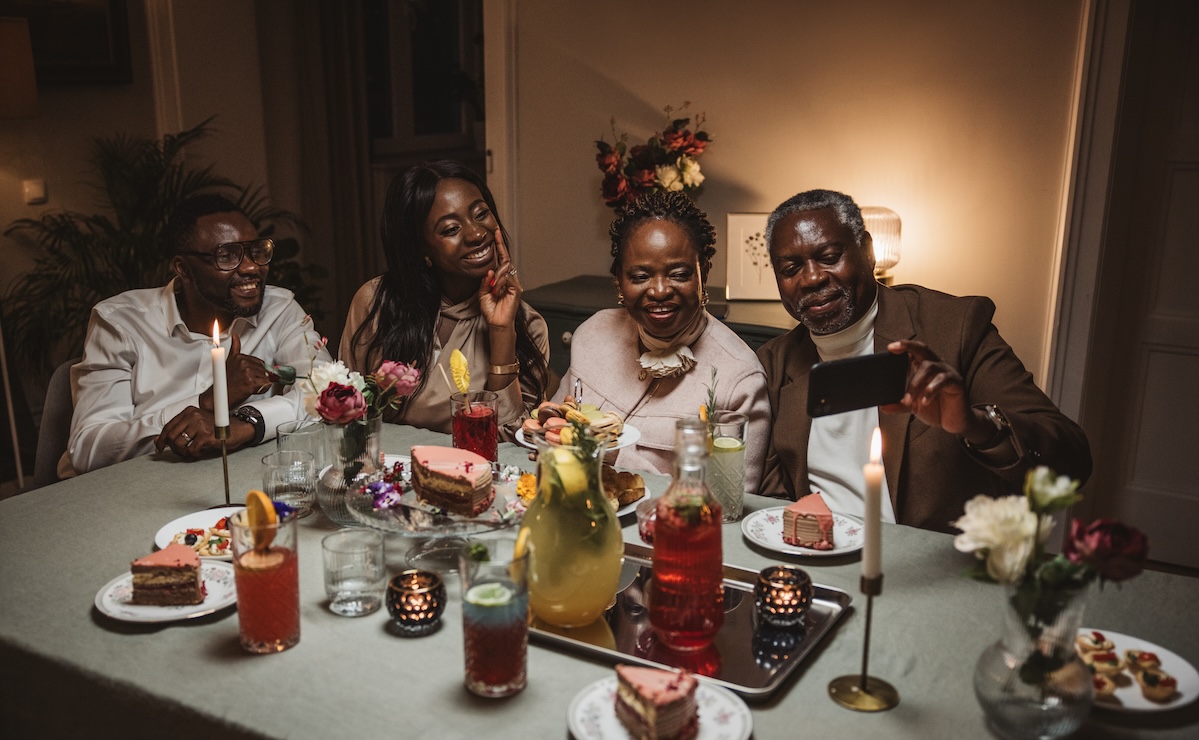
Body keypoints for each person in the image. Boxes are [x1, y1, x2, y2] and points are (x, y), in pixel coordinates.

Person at [757, 189, 1092, 532]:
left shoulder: (955, 328)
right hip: (821, 563)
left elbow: (1072, 462)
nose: (812, 278)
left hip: (931, 568)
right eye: (791, 268)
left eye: (829, 256)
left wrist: (975, 425)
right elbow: (771, 496)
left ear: (868, 251)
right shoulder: (774, 362)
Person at [63, 194, 330, 476]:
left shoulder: (279, 309)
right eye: (226, 255)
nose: (252, 267)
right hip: (137, 485)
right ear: (183, 268)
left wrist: (249, 422)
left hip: (239, 477)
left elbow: (329, 393)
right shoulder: (120, 323)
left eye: (257, 250)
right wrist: (208, 401)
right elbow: (87, 448)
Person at [559, 191, 770, 488]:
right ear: (619, 280)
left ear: (703, 273)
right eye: (640, 276)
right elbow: (552, 434)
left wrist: (610, 458)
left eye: (679, 274)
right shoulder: (591, 336)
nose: (659, 291)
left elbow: (727, 500)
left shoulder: (740, 379)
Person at [341, 161, 551, 437]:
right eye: (451, 229)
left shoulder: (528, 326)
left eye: (481, 214)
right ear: (421, 248)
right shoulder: (377, 304)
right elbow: (344, 412)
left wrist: (501, 331)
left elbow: (508, 441)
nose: (477, 234)